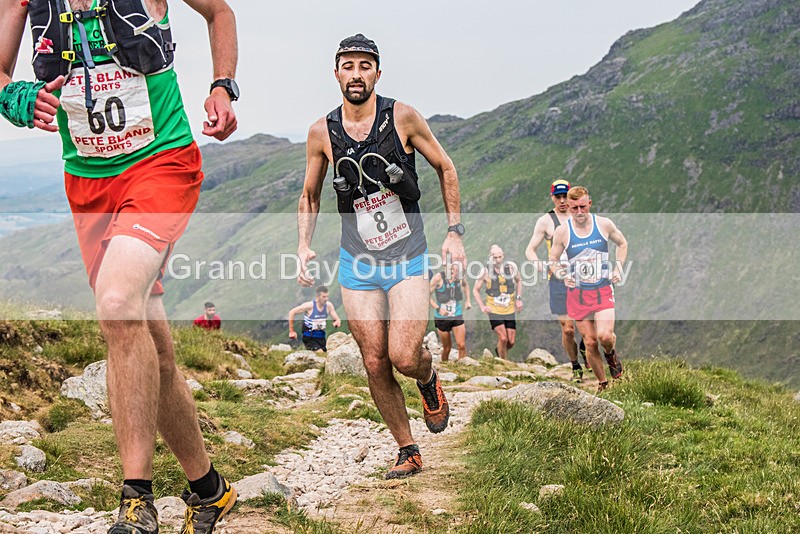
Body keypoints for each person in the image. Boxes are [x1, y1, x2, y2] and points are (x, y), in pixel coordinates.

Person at [0, 1, 239, 532]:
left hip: (161, 163)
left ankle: (137, 501)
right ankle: (209, 489)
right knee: (148, 340)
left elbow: (218, 12)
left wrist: (223, 86)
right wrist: (15, 98)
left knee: (114, 304)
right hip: (87, 180)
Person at [296, 34, 466, 479]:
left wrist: (454, 232)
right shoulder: (321, 131)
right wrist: (303, 244)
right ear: (336, 73)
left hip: (408, 255)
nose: (356, 74)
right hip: (358, 261)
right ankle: (407, 449)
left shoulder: (402, 117)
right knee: (374, 359)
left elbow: (445, 167)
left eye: (365, 66)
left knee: (404, 357)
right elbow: (310, 194)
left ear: (377, 73)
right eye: (348, 66)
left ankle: (427, 380)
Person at [548, 186, 628, 393]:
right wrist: (563, 276)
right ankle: (603, 384)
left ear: (589, 204)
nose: (579, 212)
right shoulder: (563, 231)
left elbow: (622, 243)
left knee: (604, 336)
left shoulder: (603, 224)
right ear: (569, 208)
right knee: (590, 342)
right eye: (574, 208)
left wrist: (619, 268)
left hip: (602, 289)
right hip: (578, 295)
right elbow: (553, 260)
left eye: (583, 207)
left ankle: (610, 354)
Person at [525, 179, 587, 381]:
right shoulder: (546, 221)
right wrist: (537, 263)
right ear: (552, 197)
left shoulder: (579, 215)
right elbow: (530, 249)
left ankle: (586, 347)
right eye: (557, 197)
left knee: (586, 324)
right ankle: (575, 364)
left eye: (565, 196)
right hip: (558, 278)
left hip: (582, 275)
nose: (562, 201)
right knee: (568, 328)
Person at [473, 245, 523, 359]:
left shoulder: (511, 268)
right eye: (495, 258)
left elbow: (519, 280)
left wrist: (518, 299)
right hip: (494, 309)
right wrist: (482, 306)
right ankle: (503, 362)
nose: (498, 260)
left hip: (509, 309)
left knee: (511, 341)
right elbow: (475, 290)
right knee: (503, 338)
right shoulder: (485, 272)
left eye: (500, 257)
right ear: (490, 257)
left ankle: (499, 350)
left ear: (503, 255)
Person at [429, 263, 471, 361]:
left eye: (455, 271)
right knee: (447, 348)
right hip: (441, 317)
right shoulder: (438, 279)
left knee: (461, 345)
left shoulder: (459, 277)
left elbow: (465, 285)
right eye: (451, 270)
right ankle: (444, 366)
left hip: (456, 314)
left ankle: (462, 368)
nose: (454, 273)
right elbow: (426, 295)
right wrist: (438, 309)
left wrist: (468, 300)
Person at [288, 286, 342, 352]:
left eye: (327, 296)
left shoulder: (329, 306)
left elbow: (336, 318)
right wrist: (291, 331)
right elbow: (292, 312)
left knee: (326, 355)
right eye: (324, 297)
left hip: (321, 336)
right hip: (309, 336)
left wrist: (337, 322)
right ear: (317, 296)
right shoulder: (309, 306)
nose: (326, 299)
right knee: (320, 353)